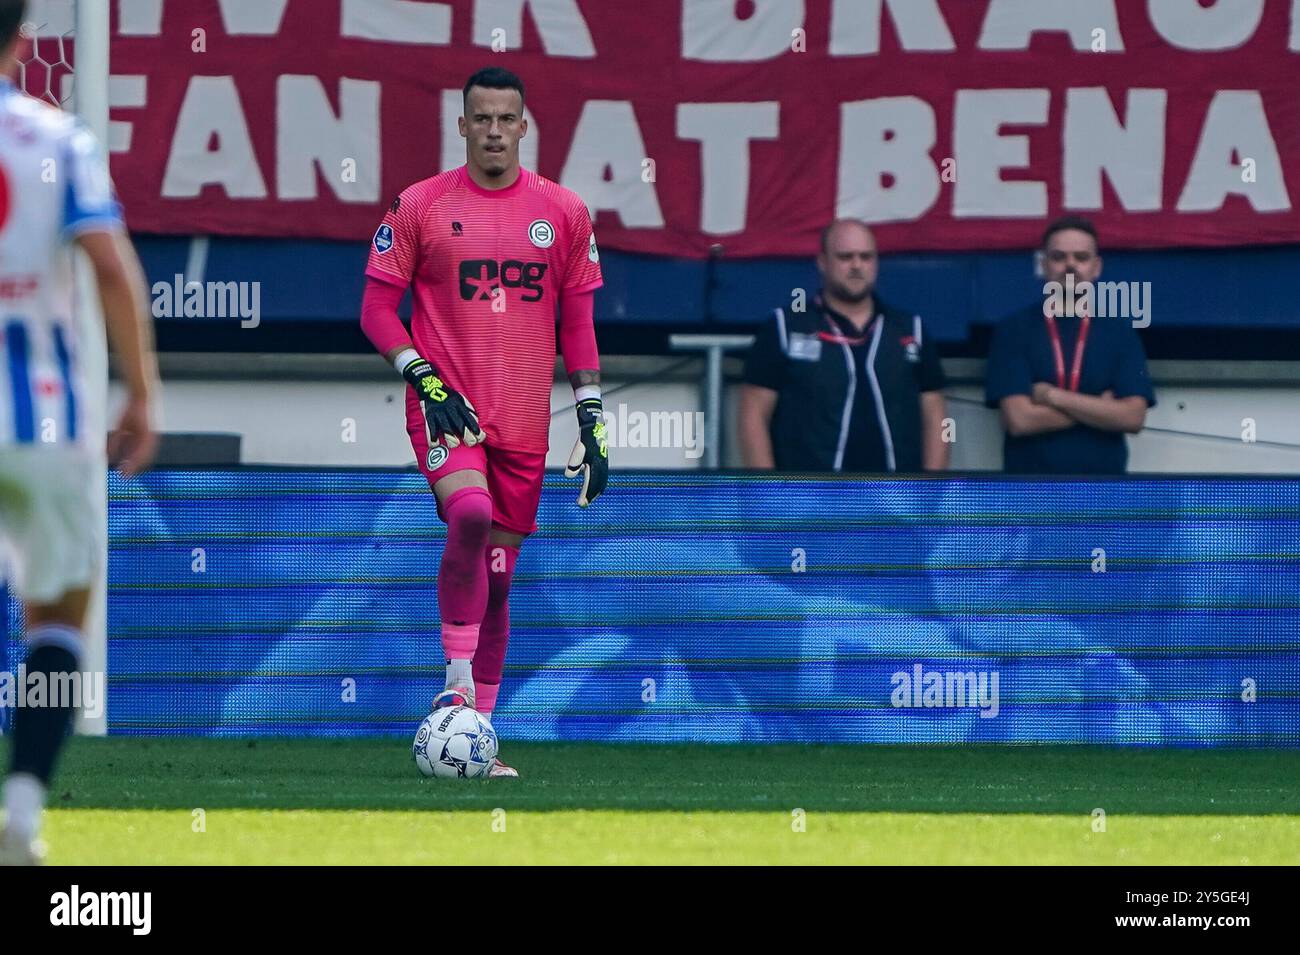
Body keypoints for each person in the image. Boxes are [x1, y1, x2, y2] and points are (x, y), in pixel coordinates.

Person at [360, 67, 605, 779]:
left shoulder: (563, 212)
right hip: (449, 405)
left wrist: (592, 415)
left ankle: (479, 735)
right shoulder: (421, 205)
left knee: (499, 578)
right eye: (482, 118)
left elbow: (580, 322)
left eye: (507, 118)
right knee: (468, 512)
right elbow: (376, 308)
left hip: (526, 418)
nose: (494, 130)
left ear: (524, 127)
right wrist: (423, 376)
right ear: (461, 125)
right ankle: (456, 680)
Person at [0, 0, 160, 865]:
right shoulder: (58, 140)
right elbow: (110, 265)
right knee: (56, 615)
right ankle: (21, 818)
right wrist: (142, 393)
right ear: (23, 41)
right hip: (42, 416)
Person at [738, 219, 948, 473]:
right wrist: (768, 492)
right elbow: (752, 414)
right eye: (845, 257)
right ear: (823, 262)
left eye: (866, 257)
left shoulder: (910, 329)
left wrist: (934, 488)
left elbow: (938, 418)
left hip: (894, 500)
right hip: (809, 501)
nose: (857, 266)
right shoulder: (786, 326)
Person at [985, 216, 1155, 474]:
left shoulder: (1120, 332)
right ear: (1043, 265)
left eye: (1081, 257)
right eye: (1058, 257)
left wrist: (1052, 397)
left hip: (1104, 492)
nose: (1070, 265)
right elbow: (1020, 420)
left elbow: (1132, 418)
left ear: (1096, 267)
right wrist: (1101, 408)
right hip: (1029, 492)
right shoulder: (1013, 330)